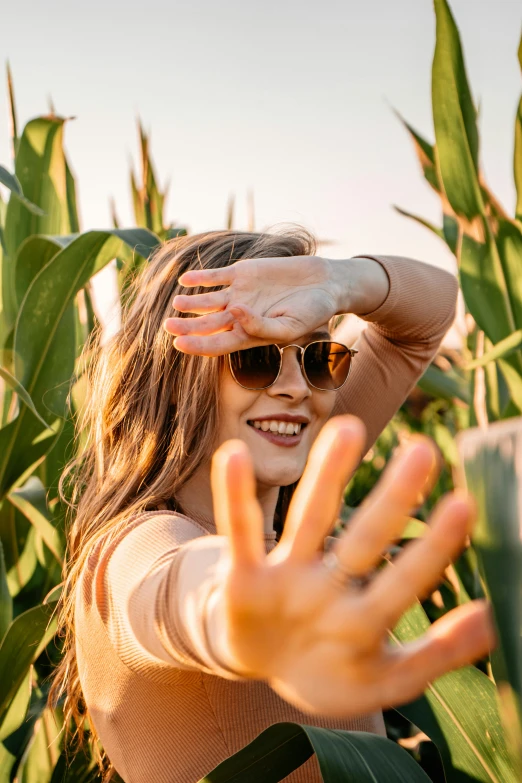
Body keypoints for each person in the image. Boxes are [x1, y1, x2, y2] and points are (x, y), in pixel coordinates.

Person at [48, 227, 493, 783]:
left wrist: (335, 281)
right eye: (255, 357)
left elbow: (432, 309)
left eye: (321, 356)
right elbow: (168, 593)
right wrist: (232, 619)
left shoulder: (300, 495)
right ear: (176, 374)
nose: (296, 387)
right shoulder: (126, 550)